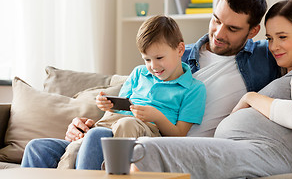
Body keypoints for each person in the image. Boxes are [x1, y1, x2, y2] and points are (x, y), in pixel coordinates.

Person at [21, 0, 292, 170]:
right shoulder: (176, 55)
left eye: (232, 28)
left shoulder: (266, 56)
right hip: (130, 127)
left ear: (253, 30)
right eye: (216, 19)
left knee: (102, 144)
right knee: (39, 150)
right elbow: (132, 98)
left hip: (171, 142)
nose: (218, 32)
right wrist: (87, 122)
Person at [131, 0, 292, 178]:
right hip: (235, 146)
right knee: (138, 148)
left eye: (282, 37)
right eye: (270, 38)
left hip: (265, 152)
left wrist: (250, 97)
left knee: (146, 149)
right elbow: (138, 86)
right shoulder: (177, 55)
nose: (274, 46)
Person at [21, 15, 206, 169]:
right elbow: (118, 111)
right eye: (147, 59)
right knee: (37, 147)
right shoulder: (139, 73)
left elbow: (180, 134)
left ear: (180, 49)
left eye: (159, 58)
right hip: (108, 128)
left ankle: (111, 167)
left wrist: (156, 116)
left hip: (145, 133)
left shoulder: (194, 89)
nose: (153, 66)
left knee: (119, 126)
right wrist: (108, 106)